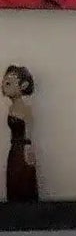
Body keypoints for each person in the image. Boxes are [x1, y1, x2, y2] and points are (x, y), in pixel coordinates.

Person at [3, 62, 37, 203]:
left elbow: (29, 129)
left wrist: (29, 151)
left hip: (22, 149)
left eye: (9, 83)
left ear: (23, 86)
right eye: (4, 83)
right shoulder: (12, 108)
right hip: (14, 149)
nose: (4, 86)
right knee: (13, 179)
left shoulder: (25, 108)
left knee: (23, 179)